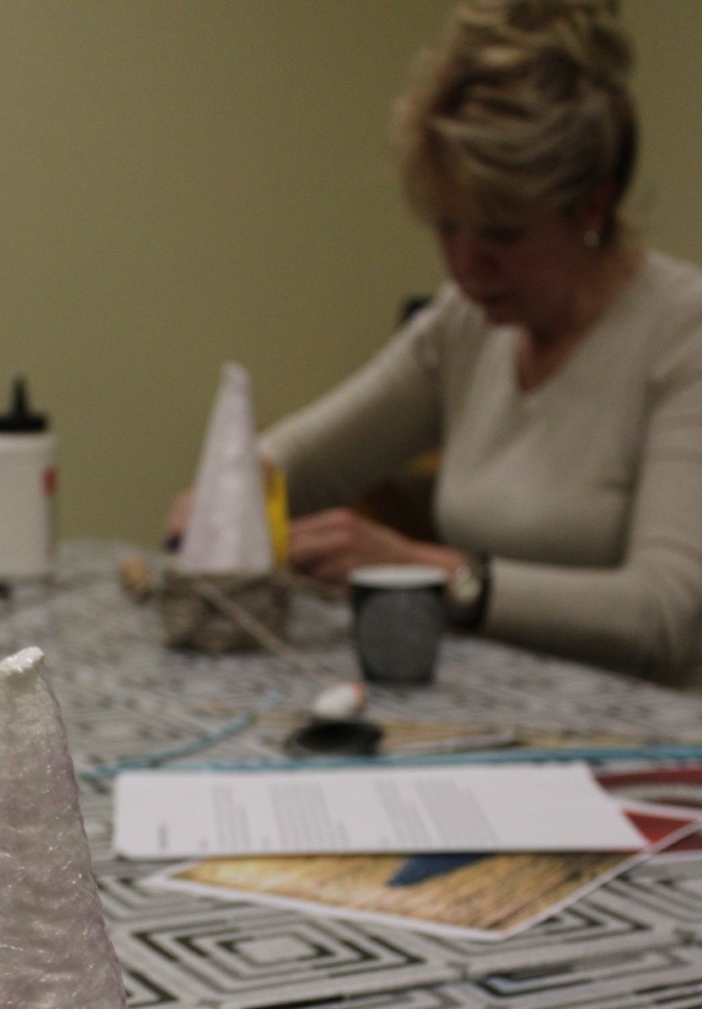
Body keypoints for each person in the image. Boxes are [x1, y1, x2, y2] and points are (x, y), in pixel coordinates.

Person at [181, 0, 702, 683]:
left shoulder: (683, 335)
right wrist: (228, 489)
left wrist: (434, 574)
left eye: (502, 234)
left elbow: (665, 614)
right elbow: (304, 459)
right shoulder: (466, 325)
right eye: (447, 228)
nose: (465, 267)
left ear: (592, 208)